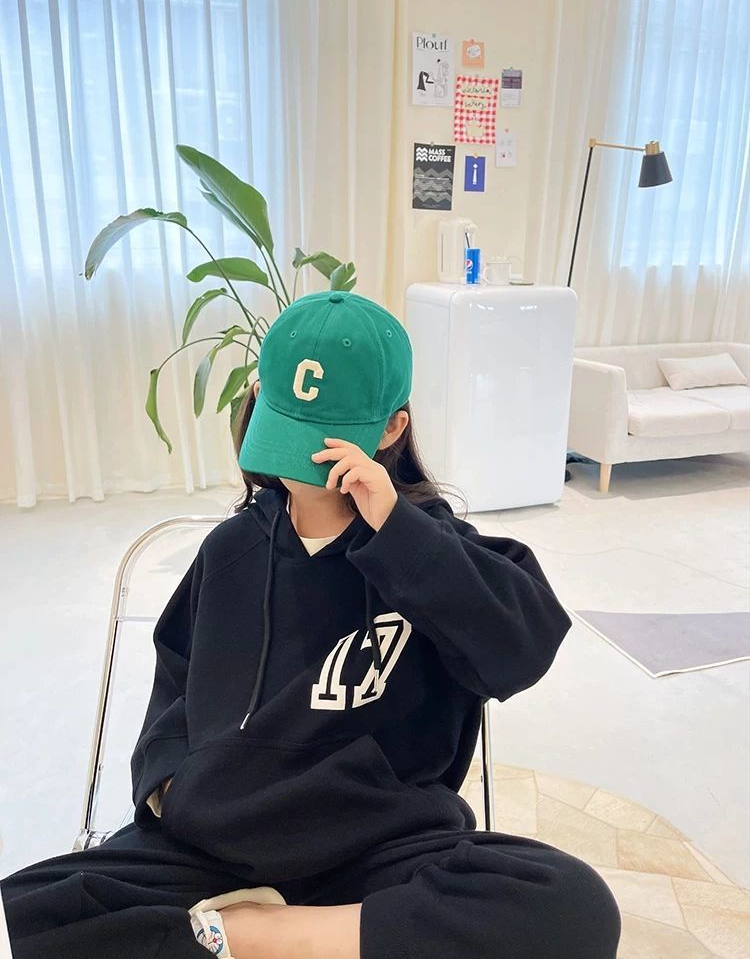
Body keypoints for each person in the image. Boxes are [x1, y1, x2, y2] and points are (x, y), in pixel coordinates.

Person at [0, 290, 621, 959]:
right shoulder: (229, 550)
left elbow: (519, 651)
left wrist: (397, 530)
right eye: (286, 427)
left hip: (379, 846)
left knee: (570, 905)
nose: (300, 458)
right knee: (33, 912)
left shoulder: (434, 550)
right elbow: (175, 684)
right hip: (216, 845)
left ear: (391, 429)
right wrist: (172, 787)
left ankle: (257, 934)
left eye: (323, 437)